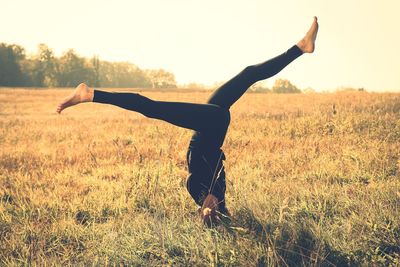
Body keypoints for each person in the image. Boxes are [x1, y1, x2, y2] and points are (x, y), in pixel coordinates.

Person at [56, 17, 319, 225]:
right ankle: (300, 48)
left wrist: (205, 208)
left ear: (204, 209)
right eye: (216, 210)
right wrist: (217, 207)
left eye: (209, 210)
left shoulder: (197, 188)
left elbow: (193, 184)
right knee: (249, 73)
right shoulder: (221, 193)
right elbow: (218, 191)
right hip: (214, 125)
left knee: (151, 108)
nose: (213, 207)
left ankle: (90, 94)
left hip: (209, 125)